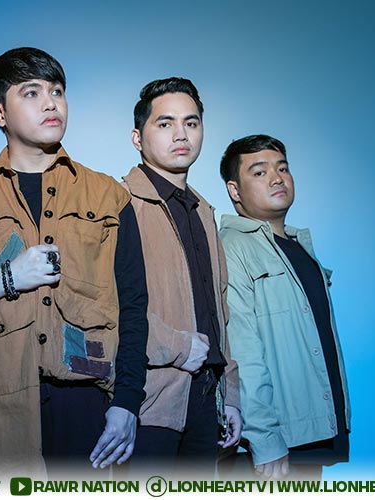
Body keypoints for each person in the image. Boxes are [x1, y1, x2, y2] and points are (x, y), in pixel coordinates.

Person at [0, 47, 149, 479]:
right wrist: (9, 277)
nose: (51, 103)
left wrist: (127, 403)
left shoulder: (109, 196)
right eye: (32, 92)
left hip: (85, 401)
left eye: (57, 91)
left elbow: (133, 306)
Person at [121, 78, 242, 478]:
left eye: (191, 123)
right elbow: (105, 305)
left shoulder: (204, 211)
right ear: (138, 138)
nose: (181, 134)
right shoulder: (119, 204)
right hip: (148, 400)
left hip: (207, 399)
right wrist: (175, 346)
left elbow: (219, 310)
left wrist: (231, 394)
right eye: (165, 123)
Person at [218, 134, 350, 480]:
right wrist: (263, 437)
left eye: (283, 168)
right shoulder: (232, 247)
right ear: (234, 190)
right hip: (270, 447)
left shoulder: (298, 247)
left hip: (309, 434)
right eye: (260, 172)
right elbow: (242, 350)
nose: (277, 178)